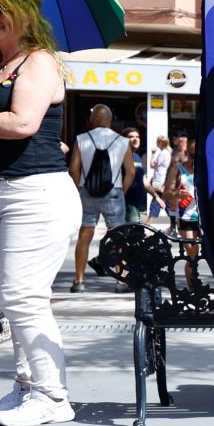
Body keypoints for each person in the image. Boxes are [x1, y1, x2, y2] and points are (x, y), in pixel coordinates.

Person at [0, 0, 80, 426]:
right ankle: (27, 388)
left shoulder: (40, 61)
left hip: (34, 193)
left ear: (25, 14)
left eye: (0, 9)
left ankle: (52, 396)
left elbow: (23, 122)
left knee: (24, 297)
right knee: (15, 300)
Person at [67, 104, 135, 291]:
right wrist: (122, 190)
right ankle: (121, 280)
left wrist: (78, 188)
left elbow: (74, 168)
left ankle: (79, 281)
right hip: (114, 192)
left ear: (95, 119)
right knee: (118, 236)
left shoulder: (81, 139)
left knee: (85, 235)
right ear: (110, 120)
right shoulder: (122, 141)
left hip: (87, 191)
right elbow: (130, 171)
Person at [163, 134, 201, 283]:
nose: (195, 158)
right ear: (186, 153)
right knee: (193, 254)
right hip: (186, 218)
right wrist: (176, 194)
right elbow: (166, 193)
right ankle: (193, 291)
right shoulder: (178, 169)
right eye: (192, 155)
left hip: (206, 218)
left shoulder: (208, 169)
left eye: (198, 155)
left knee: (213, 256)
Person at [121, 127, 149, 223]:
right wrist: (121, 195)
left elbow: (143, 179)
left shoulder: (137, 156)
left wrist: (156, 196)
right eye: (131, 137)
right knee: (134, 231)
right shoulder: (121, 156)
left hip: (137, 204)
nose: (135, 139)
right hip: (127, 203)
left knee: (134, 233)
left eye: (137, 136)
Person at [146, 133, 172, 219]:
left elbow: (152, 165)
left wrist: (152, 154)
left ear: (160, 143)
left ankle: (149, 224)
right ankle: (173, 224)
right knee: (166, 204)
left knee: (156, 203)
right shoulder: (168, 153)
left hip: (160, 181)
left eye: (158, 142)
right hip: (163, 180)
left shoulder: (163, 153)